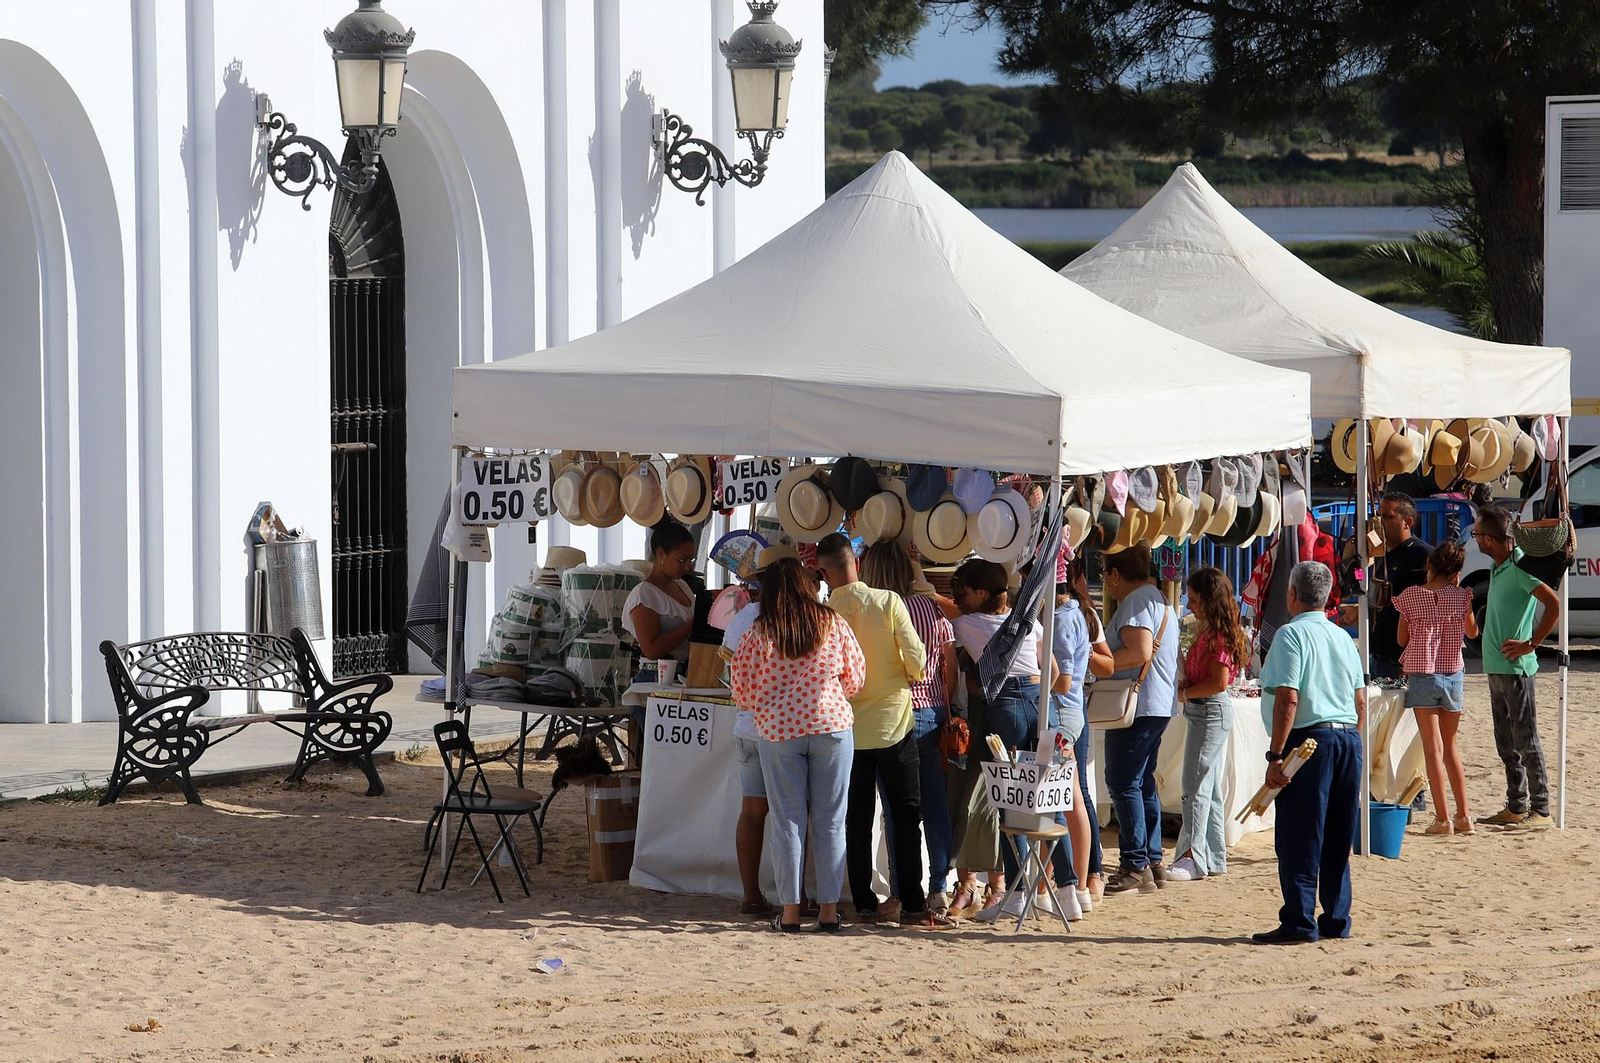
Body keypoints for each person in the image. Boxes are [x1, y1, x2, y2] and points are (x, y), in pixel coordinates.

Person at [814, 533, 948, 928]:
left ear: (824, 571)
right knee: (906, 815)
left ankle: (864, 902)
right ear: (855, 559)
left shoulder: (825, 613)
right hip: (893, 722)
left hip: (845, 727)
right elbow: (916, 657)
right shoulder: (888, 602)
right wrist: (908, 676)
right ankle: (911, 902)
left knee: (855, 818)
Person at [729, 554, 865, 932]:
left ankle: (789, 913)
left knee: (787, 822)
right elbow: (856, 675)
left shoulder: (760, 631)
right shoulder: (832, 623)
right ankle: (827, 911)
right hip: (832, 726)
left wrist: (768, 703)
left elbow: (741, 688)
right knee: (830, 822)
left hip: (778, 731)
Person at [948, 557, 1068, 921]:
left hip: (1006, 705)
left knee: (1010, 801)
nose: (960, 599)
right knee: (1047, 797)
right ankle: (1066, 887)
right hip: (1039, 701)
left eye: (965, 593)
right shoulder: (1028, 623)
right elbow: (1055, 673)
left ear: (981, 592)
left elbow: (943, 609)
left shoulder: (967, 624)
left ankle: (1016, 893)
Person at [1254, 561, 1365, 944]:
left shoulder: (1290, 635)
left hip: (1311, 739)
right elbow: (1360, 701)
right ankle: (1335, 918)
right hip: (1347, 737)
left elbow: (1287, 697)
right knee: (1337, 833)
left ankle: (1300, 921)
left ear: (1293, 594)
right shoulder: (1341, 637)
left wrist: (1276, 755)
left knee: (1301, 834)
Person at [859, 540, 960, 913]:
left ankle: (902, 892)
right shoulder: (931, 609)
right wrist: (941, 697)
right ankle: (938, 885)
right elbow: (950, 665)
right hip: (931, 711)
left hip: (891, 715)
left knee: (897, 812)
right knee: (934, 806)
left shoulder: (876, 610)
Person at [719, 547, 798, 917]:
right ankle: (796, 899)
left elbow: (729, 673)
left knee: (752, 812)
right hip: (785, 728)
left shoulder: (744, 618)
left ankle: (751, 895)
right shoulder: (801, 618)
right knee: (793, 816)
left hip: (748, 724)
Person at [1097, 544, 1179, 896]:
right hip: (1155, 702)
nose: (1106, 582)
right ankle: (1152, 859)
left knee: (1123, 781)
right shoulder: (1157, 599)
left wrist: (1098, 660)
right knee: (1142, 782)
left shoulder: (1135, 601)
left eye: (1106, 574)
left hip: (1138, 703)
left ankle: (1134, 864)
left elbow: (1139, 651)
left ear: (1116, 574)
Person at [1473, 505, 1561, 828]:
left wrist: (1531, 643)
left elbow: (1552, 605)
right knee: (1505, 741)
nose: (1475, 539)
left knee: (1526, 740)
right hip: (1496, 667)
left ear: (1491, 539)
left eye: (1477, 534)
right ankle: (1516, 804)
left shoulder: (1522, 564)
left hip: (1516, 668)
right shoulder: (1500, 565)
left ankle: (1540, 810)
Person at [1169, 567, 1249, 881]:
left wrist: (1184, 693)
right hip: (1204, 712)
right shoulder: (1209, 630)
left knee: (1195, 788)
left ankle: (1192, 857)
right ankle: (1213, 857)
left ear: (1208, 600)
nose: (1190, 605)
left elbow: (1218, 682)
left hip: (1209, 713)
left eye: (1194, 599)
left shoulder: (1217, 635)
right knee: (1209, 789)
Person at [1395, 541, 1479, 835]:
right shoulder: (1462, 597)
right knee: (1451, 748)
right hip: (1453, 673)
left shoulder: (1411, 597)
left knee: (1432, 748)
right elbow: (1472, 632)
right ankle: (1464, 816)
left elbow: (1402, 640)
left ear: (1430, 566)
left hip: (1423, 674)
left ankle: (1442, 818)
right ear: (1456, 572)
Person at [1050, 564, 1114, 906]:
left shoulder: (1066, 617)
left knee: (1066, 798)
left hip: (1064, 708)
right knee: (1074, 795)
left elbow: (1065, 677)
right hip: (1073, 708)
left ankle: (1077, 881)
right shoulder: (1078, 613)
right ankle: (1081, 882)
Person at [1369, 492, 1431, 680]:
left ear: (1407, 522)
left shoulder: (1424, 556)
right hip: (1377, 655)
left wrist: (1413, 658)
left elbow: (1429, 614)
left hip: (1401, 661)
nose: (1380, 522)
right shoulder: (1380, 554)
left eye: (1387, 517)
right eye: (1378, 515)